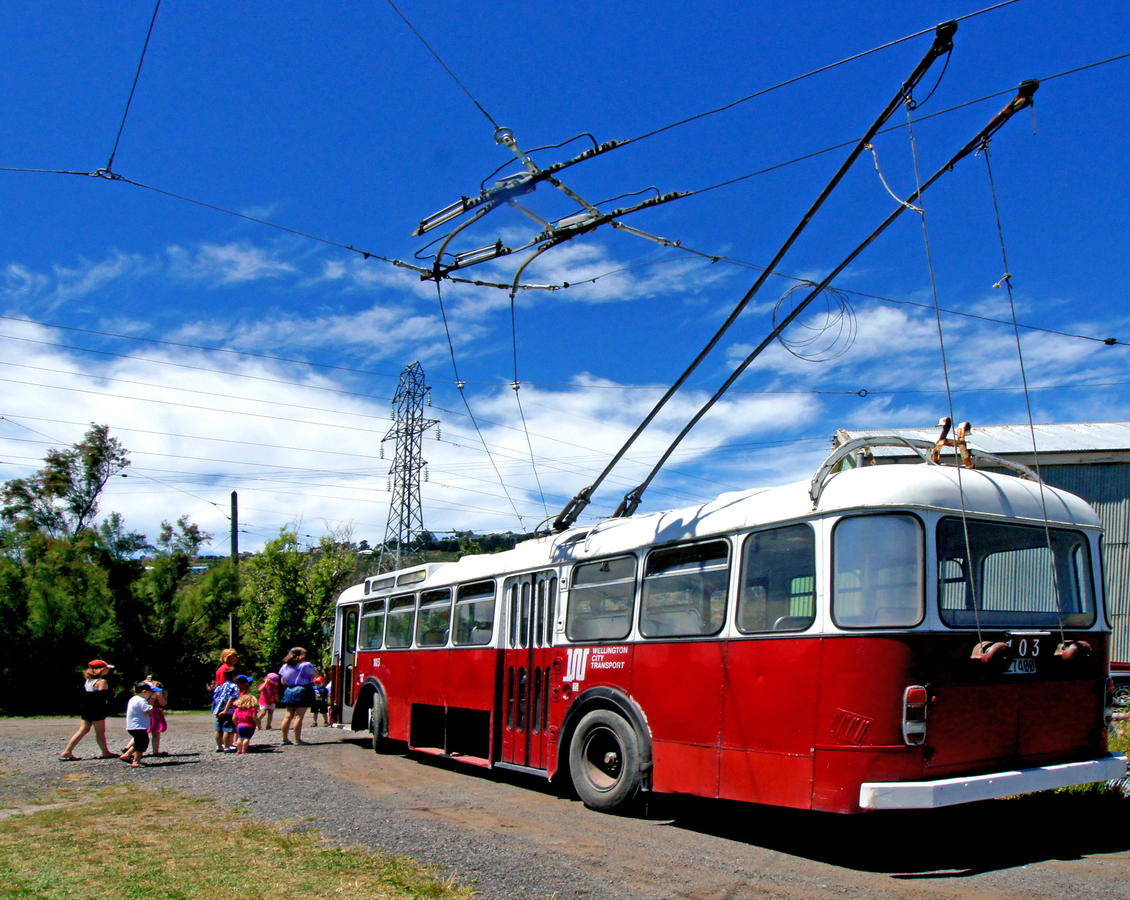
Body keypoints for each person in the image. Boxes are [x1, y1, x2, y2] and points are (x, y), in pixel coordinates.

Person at [61, 660, 117, 760]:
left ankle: (67, 751)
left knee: (83, 730)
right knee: (100, 731)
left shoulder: (88, 681)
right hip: (97, 708)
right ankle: (105, 752)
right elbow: (102, 696)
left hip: (86, 707)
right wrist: (112, 694)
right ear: (101, 669)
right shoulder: (101, 682)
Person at [120, 675, 169, 759]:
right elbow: (162, 703)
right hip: (151, 713)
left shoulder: (138, 695)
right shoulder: (154, 691)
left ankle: (128, 749)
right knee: (150, 734)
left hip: (142, 716)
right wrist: (161, 696)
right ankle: (152, 752)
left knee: (140, 735)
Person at [278, 647, 318, 746]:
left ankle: (284, 739)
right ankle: (297, 739)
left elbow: (283, 682)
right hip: (303, 690)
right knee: (299, 716)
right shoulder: (306, 665)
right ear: (302, 655)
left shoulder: (285, 666)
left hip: (289, 690)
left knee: (288, 716)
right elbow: (316, 676)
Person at [124, 682, 158, 768]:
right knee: (142, 743)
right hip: (138, 726)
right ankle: (136, 761)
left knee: (139, 741)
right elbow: (148, 711)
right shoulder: (141, 701)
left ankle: (127, 755)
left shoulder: (133, 699)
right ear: (144, 691)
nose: (152, 694)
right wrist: (152, 703)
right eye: (151, 692)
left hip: (132, 726)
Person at [211, 668, 241, 752]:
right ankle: (227, 746)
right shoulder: (234, 686)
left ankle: (219, 746)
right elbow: (231, 699)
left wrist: (215, 710)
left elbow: (215, 698)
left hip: (218, 710)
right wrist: (225, 710)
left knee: (218, 729)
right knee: (227, 729)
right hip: (229, 711)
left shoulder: (219, 687)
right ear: (235, 676)